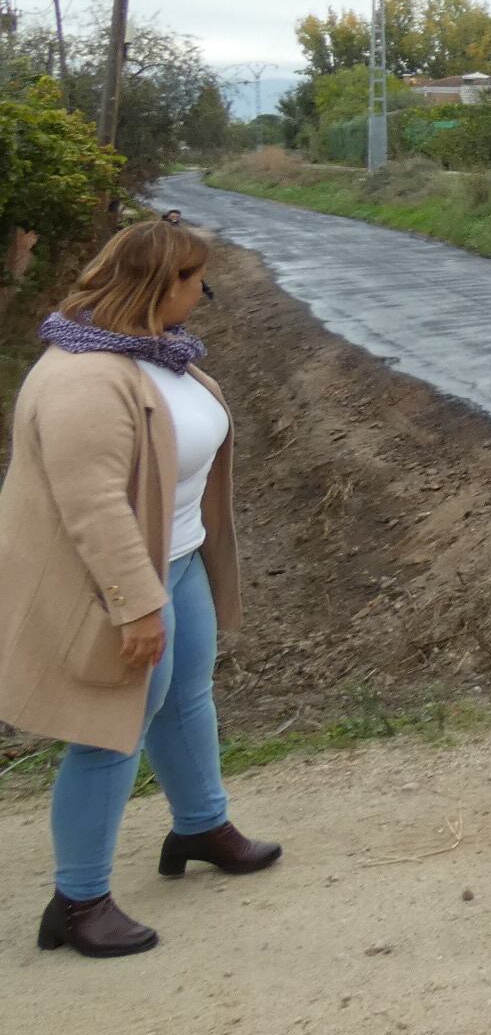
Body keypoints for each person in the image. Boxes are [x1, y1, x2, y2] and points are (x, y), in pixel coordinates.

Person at [0, 219, 282, 960]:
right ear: (159, 288)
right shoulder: (84, 378)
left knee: (186, 696)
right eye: (195, 281)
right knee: (108, 728)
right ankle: (78, 899)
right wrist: (137, 605)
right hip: (120, 583)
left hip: (179, 560)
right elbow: (92, 506)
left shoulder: (159, 354)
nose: (202, 293)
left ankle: (199, 824)